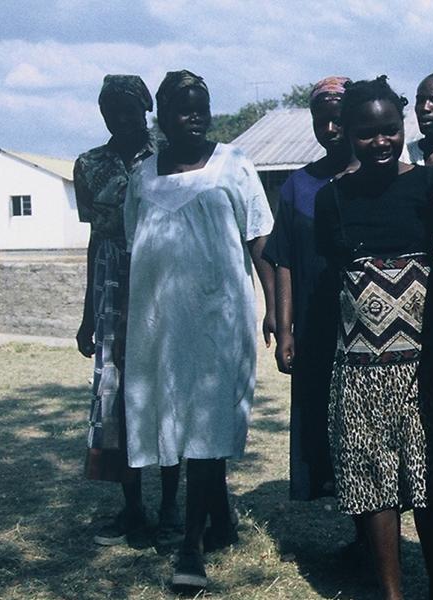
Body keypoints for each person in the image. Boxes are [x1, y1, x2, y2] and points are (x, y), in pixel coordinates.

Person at [123, 70, 275, 590]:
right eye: (183, 108)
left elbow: (260, 242)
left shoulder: (234, 164)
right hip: (158, 324)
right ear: (159, 117)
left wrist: (276, 310)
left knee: (209, 422)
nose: (195, 117)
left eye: (202, 107)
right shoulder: (141, 175)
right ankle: (224, 519)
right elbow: (133, 245)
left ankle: (192, 543)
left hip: (218, 317)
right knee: (172, 417)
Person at [313, 76, 433, 600]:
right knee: (373, 485)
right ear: (345, 133)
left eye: (390, 129)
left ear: (403, 124)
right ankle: (391, 592)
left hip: (424, 365)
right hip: (362, 367)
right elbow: (334, 279)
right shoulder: (334, 200)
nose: (381, 142)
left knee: (432, 484)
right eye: (367, 134)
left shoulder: (431, 187)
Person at [73, 74, 182, 549]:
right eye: (110, 110)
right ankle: (132, 509)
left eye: (129, 108)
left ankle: (171, 510)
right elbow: (95, 237)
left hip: (165, 280)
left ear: (146, 109)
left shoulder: (172, 154)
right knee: (117, 400)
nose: (121, 118)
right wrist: (86, 314)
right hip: (114, 289)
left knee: (169, 392)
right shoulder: (90, 164)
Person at [266, 76, 356, 504]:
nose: (331, 130)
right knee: (319, 412)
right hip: (314, 325)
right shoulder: (297, 186)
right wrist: (285, 330)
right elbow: (282, 259)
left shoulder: (378, 178)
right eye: (322, 122)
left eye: (338, 120)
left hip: (366, 328)